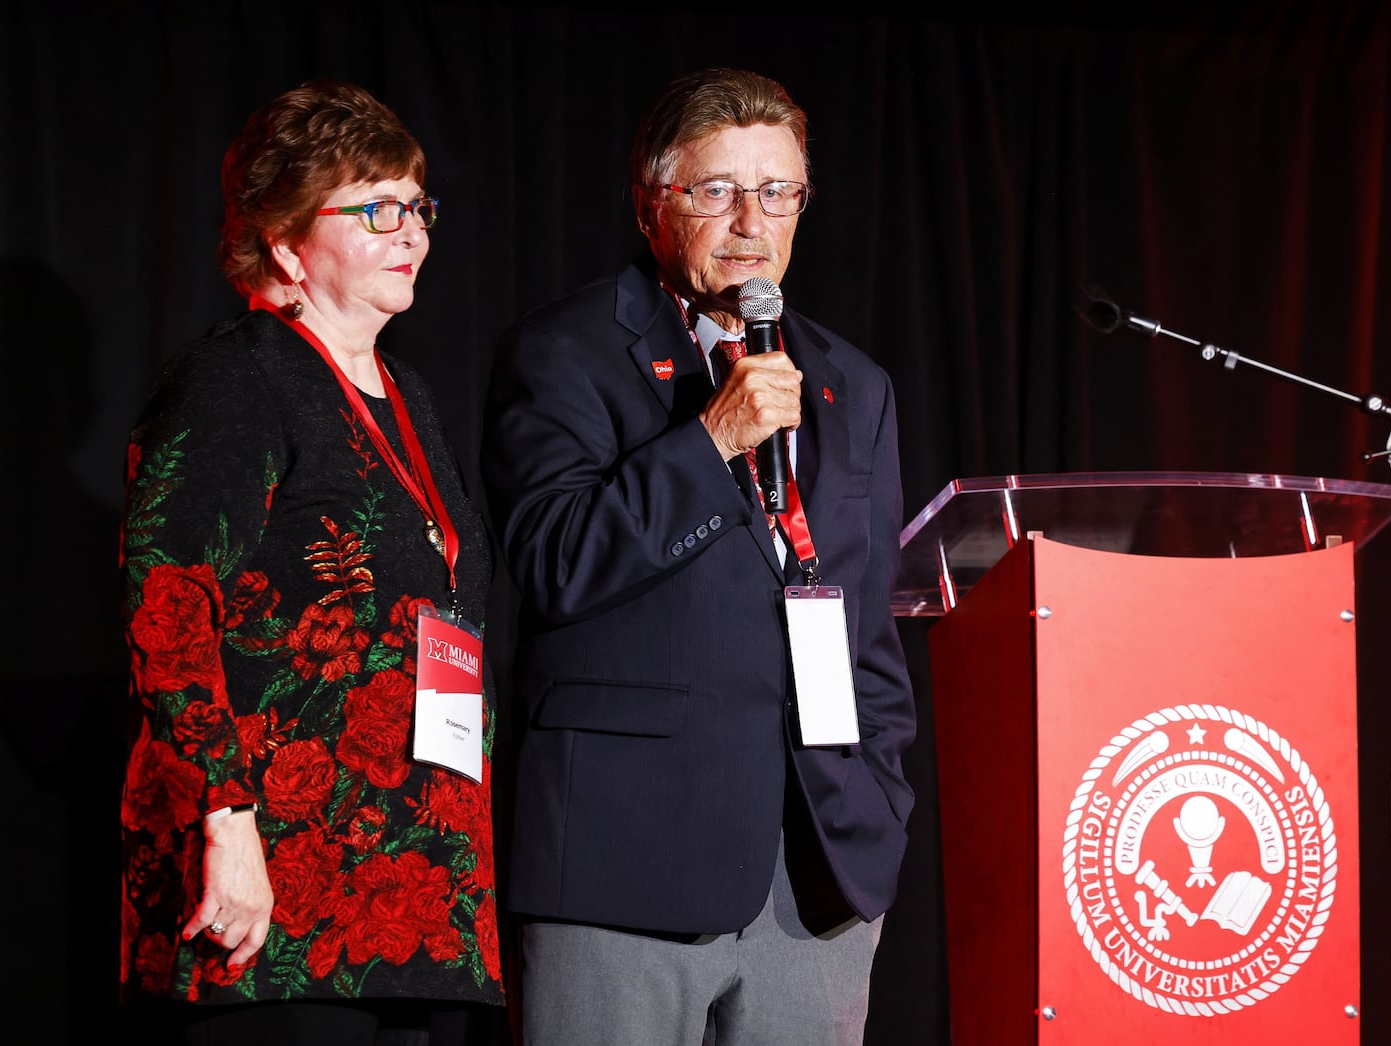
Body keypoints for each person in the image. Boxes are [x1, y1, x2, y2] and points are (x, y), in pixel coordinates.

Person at [480, 66, 917, 1045]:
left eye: (778, 191)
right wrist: (708, 440)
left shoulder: (855, 381)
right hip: (624, 861)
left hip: (817, 869)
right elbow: (552, 562)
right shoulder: (563, 352)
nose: (751, 221)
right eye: (715, 190)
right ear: (650, 205)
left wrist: (879, 792)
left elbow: (868, 622)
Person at [118, 78, 503, 1043]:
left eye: (417, 205)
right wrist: (227, 824)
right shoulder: (238, 378)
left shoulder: (407, 395)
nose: (410, 230)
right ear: (287, 242)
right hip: (272, 907)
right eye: (376, 208)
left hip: (414, 896)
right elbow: (168, 608)